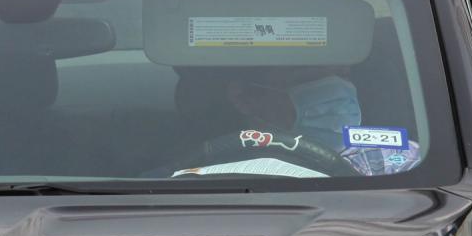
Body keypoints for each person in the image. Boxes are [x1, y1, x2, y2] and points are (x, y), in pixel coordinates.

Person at [173, 69, 423, 177]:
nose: (337, 87)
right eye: (310, 77)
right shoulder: (202, 167)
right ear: (244, 98)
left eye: (343, 75)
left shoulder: (395, 158)